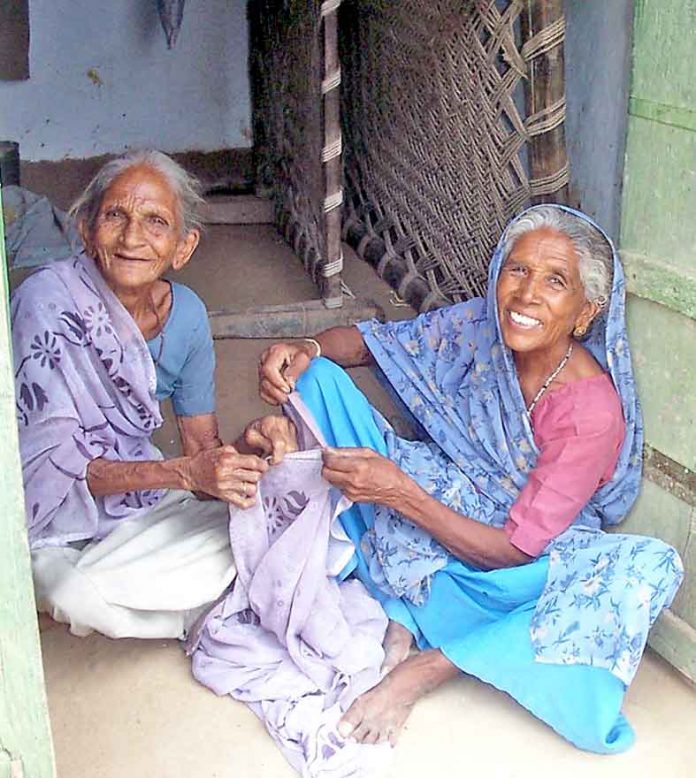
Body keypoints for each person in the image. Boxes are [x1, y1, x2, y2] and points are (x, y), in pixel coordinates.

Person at [257, 205, 684, 753]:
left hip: (510, 575)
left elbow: (515, 551)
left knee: (644, 569)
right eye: (517, 270)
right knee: (316, 381)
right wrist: (307, 349)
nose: (527, 295)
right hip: (442, 505)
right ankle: (407, 605)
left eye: (555, 282)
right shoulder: (477, 327)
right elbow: (368, 344)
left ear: (585, 313)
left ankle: (431, 663)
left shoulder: (590, 412)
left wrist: (398, 492)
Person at [13, 149, 295, 640]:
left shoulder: (186, 315)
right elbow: (54, 469)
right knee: (67, 591)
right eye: (115, 216)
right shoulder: (45, 305)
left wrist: (246, 449)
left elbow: (201, 454)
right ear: (85, 229)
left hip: (140, 500)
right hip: (51, 517)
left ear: (182, 248)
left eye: (155, 222)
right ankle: (203, 608)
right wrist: (184, 473)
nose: (132, 238)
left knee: (267, 522)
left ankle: (179, 600)